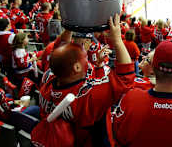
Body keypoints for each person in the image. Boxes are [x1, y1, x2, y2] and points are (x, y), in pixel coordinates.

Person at [38, 14, 134, 146]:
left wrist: (99, 66)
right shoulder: (87, 97)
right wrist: (117, 40)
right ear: (76, 67)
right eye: (85, 57)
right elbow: (125, 79)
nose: (88, 61)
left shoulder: (47, 80)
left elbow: (60, 49)